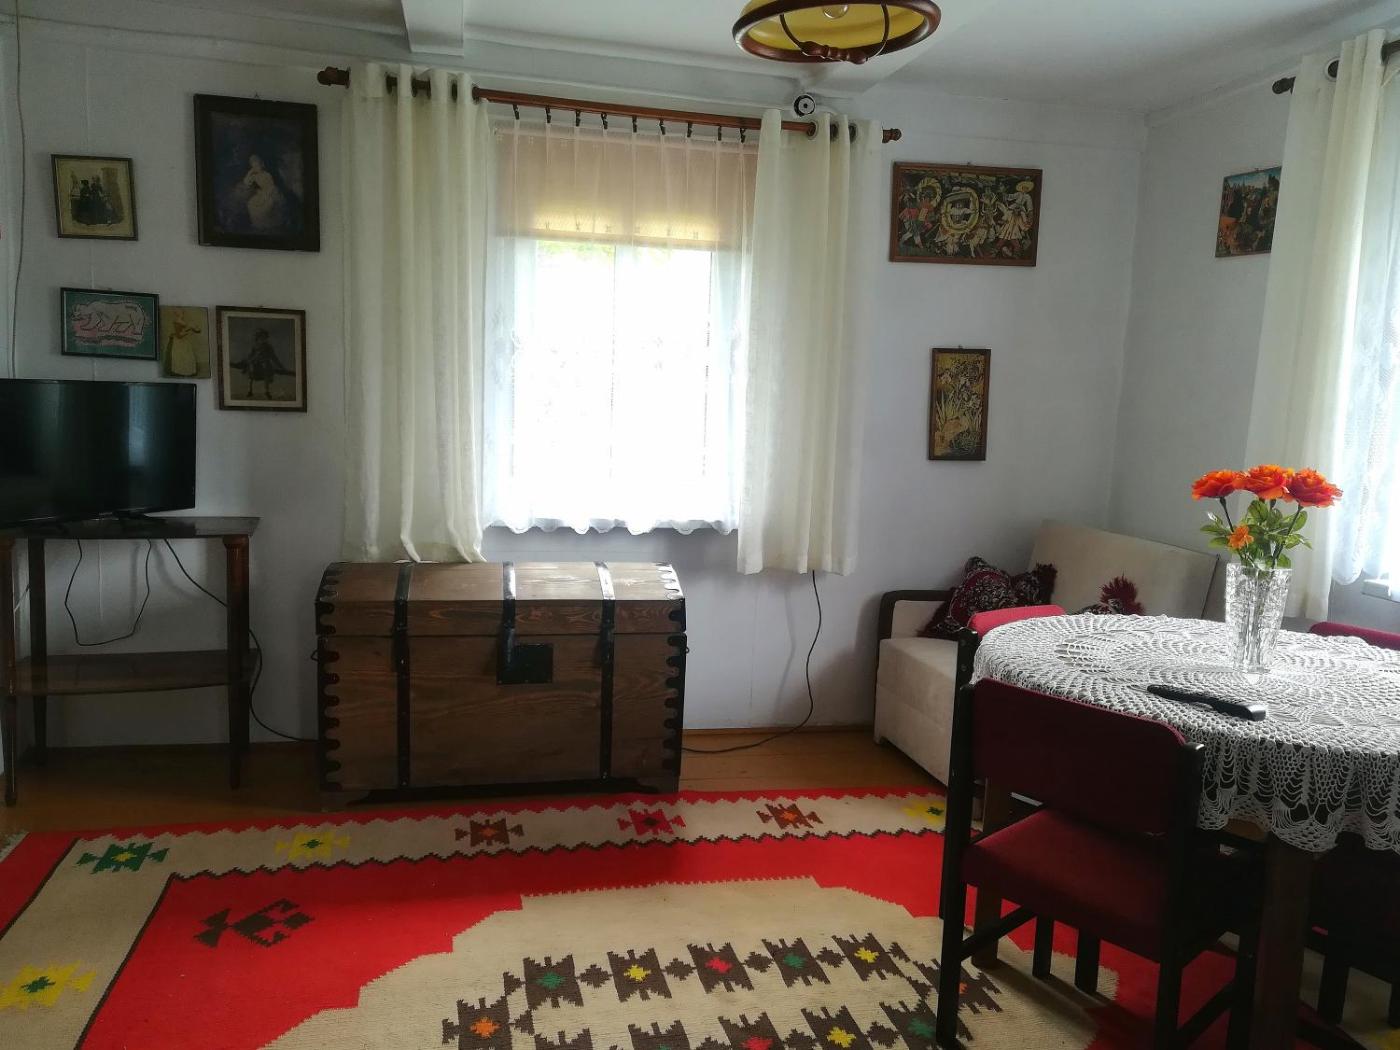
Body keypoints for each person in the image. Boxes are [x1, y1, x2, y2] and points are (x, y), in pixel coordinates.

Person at [232, 327, 291, 399]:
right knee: (251, 372)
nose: (263, 339)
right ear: (257, 338)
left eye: (264, 337)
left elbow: (274, 357)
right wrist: (248, 360)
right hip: (255, 363)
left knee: (266, 374)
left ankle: (266, 391)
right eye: (261, 337)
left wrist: (281, 367)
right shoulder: (255, 346)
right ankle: (250, 391)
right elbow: (251, 355)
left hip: (265, 364)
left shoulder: (268, 347)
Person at [240, 155, 286, 233]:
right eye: (254, 166)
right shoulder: (254, 176)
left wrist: (266, 195)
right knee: (251, 203)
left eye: (257, 165)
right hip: (260, 194)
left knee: (268, 204)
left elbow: (271, 186)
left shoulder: (267, 175)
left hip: (270, 193)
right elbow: (246, 182)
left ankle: (268, 224)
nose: (256, 168)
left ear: (262, 164)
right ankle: (259, 224)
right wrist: (249, 173)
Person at [164, 312, 204, 377]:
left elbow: (198, 330)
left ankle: (186, 371)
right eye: (180, 314)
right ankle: (178, 371)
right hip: (178, 341)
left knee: (187, 354)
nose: (182, 315)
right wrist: (187, 331)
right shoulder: (177, 322)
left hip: (183, 341)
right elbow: (179, 335)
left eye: (182, 314)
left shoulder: (184, 323)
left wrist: (191, 329)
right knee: (178, 355)